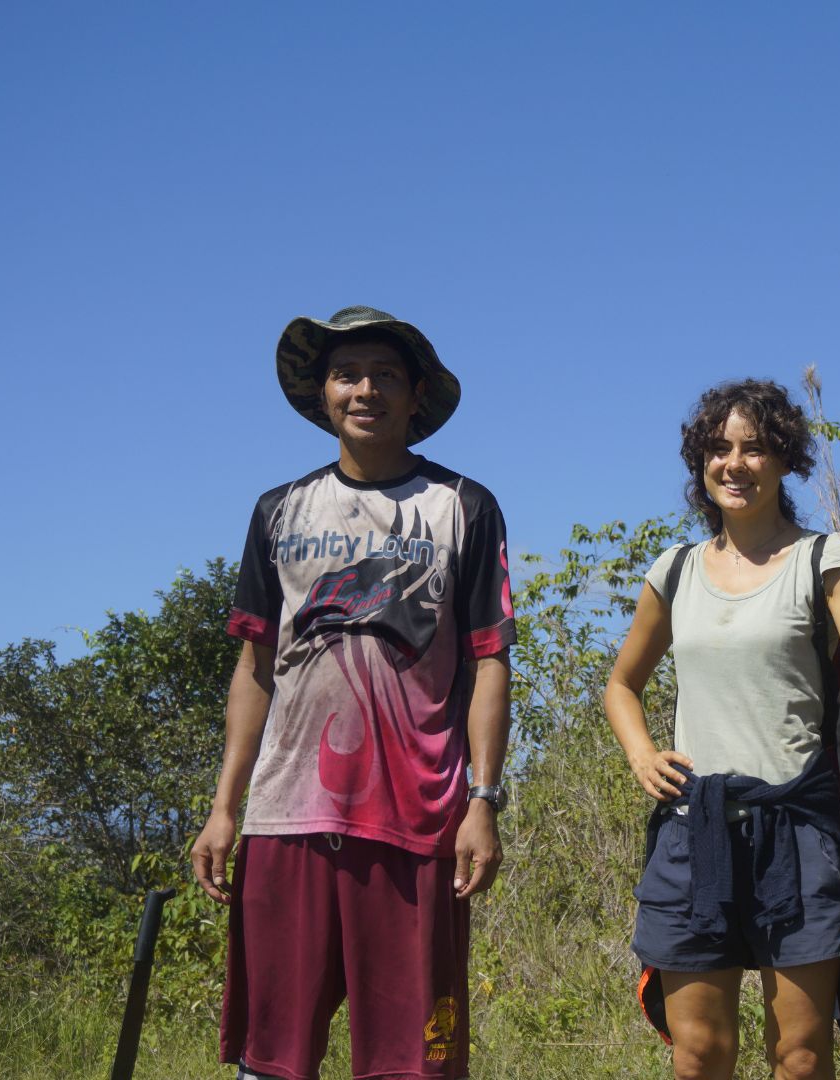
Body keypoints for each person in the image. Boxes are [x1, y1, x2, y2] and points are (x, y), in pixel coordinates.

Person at [190, 306, 516, 1080]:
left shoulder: (464, 507)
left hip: (418, 822)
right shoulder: (279, 511)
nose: (365, 389)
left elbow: (490, 663)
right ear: (323, 393)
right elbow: (255, 669)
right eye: (347, 374)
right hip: (287, 814)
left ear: (416, 396)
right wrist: (224, 808)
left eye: (385, 375)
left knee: (417, 1062)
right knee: (271, 1058)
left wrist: (483, 800)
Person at [603, 379, 840, 1080]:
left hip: (800, 830)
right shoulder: (676, 570)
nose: (734, 465)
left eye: (754, 448)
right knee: (699, 1056)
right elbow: (621, 684)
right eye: (718, 449)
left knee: (801, 1058)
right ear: (700, 463)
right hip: (695, 829)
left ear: (784, 460)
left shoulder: (825, 560)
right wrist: (641, 754)